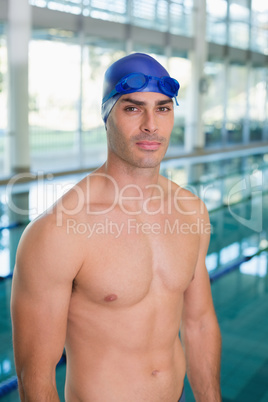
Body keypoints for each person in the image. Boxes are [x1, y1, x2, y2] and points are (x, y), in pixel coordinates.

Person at [11, 52, 222, 402]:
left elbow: (199, 324)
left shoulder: (191, 212)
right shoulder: (58, 230)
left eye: (163, 109)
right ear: (107, 115)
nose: (151, 125)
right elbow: (35, 375)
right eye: (133, 108)